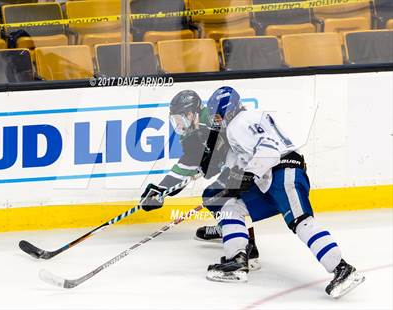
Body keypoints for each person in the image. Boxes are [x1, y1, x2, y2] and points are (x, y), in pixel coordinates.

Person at [204, 86, 365, 298]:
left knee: (301, 222)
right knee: (231, 207)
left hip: (284, 173)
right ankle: (238, 261)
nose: (215, 121)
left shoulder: (240, 121)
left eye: (217, 115)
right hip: (268, 180)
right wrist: (234, 181)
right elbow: (247, 158)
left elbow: (269, 150)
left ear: (229, 110)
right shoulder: (242, 124)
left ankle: (342, 269)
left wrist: (248, 175)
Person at [139, 89, 261, 269]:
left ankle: (248, 245)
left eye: (180, 118)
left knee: (227, 197)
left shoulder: (213, 119)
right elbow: (189, 162)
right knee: (211, 196)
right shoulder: (190, 130)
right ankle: (227, 229)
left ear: (191, 113)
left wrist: (224, 165)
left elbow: (237, 144)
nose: (179, 124)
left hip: (249, 165)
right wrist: (162, 190)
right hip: (233, 165)